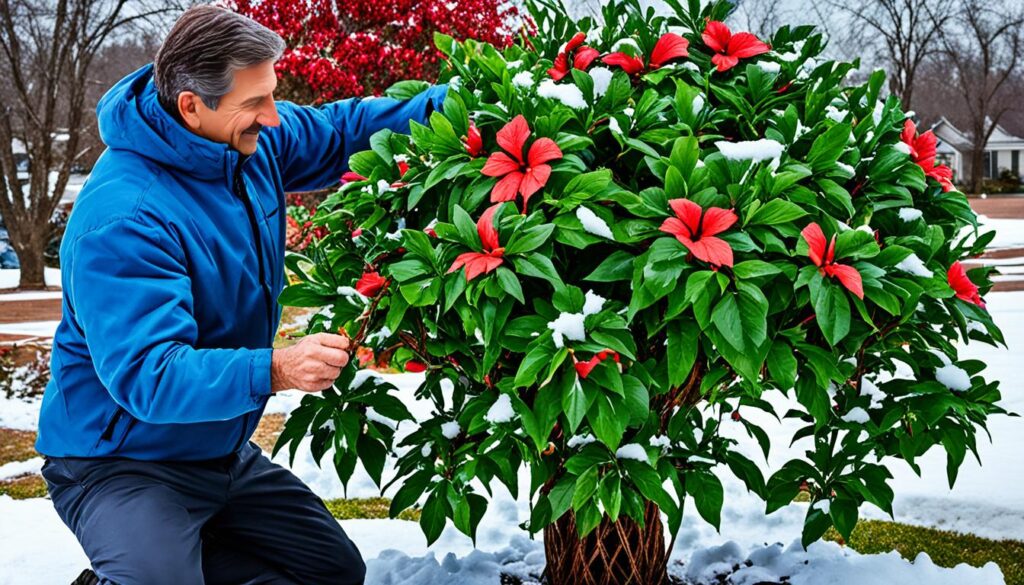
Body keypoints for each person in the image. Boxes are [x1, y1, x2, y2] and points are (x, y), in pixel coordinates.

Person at [34, 5, 447, 584]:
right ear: (190, 105)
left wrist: (467, 100)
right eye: (256, 103)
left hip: (218, 452)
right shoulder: (125, 217)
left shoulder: (246, 141)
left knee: (331, 574)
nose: (274, 118)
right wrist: (276, 368)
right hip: (121, 462)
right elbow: (150, 375)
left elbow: (346, 129)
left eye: (271, 94)